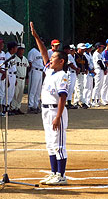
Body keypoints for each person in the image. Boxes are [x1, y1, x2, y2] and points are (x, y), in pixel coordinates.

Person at [30, 22, 68, 185]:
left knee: (59, 144)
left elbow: (62, 97)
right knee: (50, 143)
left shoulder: (62, 75)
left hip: (55, 111)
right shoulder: (50, 71)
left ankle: (61, 175)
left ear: (61, 61)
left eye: (54, 58)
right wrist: (36, 36)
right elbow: (44, 52)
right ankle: (53, 173)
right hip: (45, 111)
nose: (50, 60)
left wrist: (58, 116)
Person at [10, 44, 29, 115]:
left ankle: (17, 107)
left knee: (20, 94)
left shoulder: (25, 59)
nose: (21, 51)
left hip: (23, 78)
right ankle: (12, 108)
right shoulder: (14, 58)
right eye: (20, 49)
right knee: (15, 93)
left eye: (22, 49)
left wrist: (27, 77)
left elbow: (27, 68)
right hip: (16, 78)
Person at [27, 41, 44, 114]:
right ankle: (30, 106)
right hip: (34, 71)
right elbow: (29, 63)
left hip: (40, 71)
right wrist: (28, 75)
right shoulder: (32, 51)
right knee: (33, 89)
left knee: (38, 90)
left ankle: (36, 106)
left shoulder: (41, 51)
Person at [3, 41, 18, 115]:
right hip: (9, 75)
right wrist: (7, 79)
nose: (17, 49)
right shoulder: (7, 56)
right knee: (8, 93)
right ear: (12, 48)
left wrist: (15, 79)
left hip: (13, 75)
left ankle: (7, 109)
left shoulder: (13, 56)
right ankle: (4, 109)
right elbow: (7, 69)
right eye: (15, 47)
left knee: (11, 93)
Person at [73, 43, 89, 109]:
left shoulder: (83, 56)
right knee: (79, 88)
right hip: (77, 74)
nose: (83, 50)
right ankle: (82, 102)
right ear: (78, 49)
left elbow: (86, 63)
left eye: (84, 49)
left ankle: (76, 102)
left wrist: (86, 69)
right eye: (82, 49)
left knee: (80, 87)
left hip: (82, 73)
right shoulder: (75, 55)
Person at [92, 42, 107, 107]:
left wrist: (105, 69)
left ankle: (98, 100)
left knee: (100, 85)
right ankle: (93, 100)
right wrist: (104, 69)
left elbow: (102, 62)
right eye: (101, 46)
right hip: (98, 70)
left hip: (101, 70)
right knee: (97, 86)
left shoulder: (100, 54)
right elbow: (99, 62)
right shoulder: (96, 54)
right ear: (98, 47)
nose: (102, 48)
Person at [64, 44, 79, 109]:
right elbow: (70, 64)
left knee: (71, 88)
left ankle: (69, 102)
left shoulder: (72, 56)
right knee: (69, 88)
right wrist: (76, 69)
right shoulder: (69, 56)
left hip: (73, 73)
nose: (72, 51)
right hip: (70, 73)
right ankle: (67, 102)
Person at [83, 43, 95, 107]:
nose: (90, 49)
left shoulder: (90, 54)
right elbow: (86, 64)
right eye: (89, 48)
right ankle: (85, 101)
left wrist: (93, 70)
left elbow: (91, 63)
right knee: (86, 87)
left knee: (90, 87)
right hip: (87, 72)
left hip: (91, 72)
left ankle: (89, 101)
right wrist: (91, 70)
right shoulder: (85, 54)